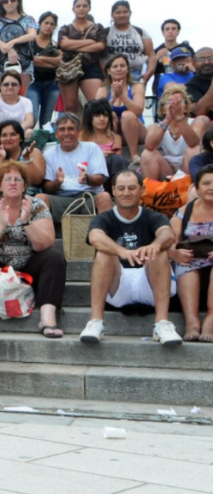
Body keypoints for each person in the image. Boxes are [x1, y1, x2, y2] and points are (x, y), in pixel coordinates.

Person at [0, 160, 66, 337]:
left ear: (24, 185)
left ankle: (47, 317)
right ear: (0, 185)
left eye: (18, 179)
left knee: (55, 258)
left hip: (29, 265)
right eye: (8, 179)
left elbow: (45, 243)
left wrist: (26, 222)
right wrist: (1, 225)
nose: (12, 183)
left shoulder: (37, 206)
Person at [81, 170, 182, 346]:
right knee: (104, 251)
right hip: (118, 283)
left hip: (149, 279)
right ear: (113, 190)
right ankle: (95, 322)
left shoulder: (153, 216)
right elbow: (95, 237)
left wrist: (154, 245)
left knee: (159, 251)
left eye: (131, 188)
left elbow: (168, 234)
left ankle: (162, 323)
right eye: (121, 188)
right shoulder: (104, 218)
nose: (126, 193)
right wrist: (121, 251)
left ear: (142, 190)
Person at [39, 114, 113, 218]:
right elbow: (47, 188)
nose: (66, 133)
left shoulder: (92, 148)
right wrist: (57, 182)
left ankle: (104, 233)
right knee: (40, 198)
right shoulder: (49, 155)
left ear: (79, 131)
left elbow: (100, 179)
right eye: (61, 129)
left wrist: (87, 178)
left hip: (89, 197)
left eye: (71, 129)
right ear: (56, 133)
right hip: (62, 199)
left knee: (105, 197)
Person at [170, 164, 213, 342]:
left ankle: (210, 321)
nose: (211, 188)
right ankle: (192, 323)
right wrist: (174, 253)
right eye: (206, 183)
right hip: (191, 261)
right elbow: (170, 241)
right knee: (184, 266)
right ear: (196, 187)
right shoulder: (184, 211)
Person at [57, 0, 106, 116]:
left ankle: (93, 133)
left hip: (90, 66)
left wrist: (73, 45)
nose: (81, 8)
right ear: (73, 9)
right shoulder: (65, 28)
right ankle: (73, 133)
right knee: (70, 105)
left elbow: (100, 46)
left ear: (89, 8)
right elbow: (63, 45)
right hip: (69, 66)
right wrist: (89, 42)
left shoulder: (97, 27)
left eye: (84, 6)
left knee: (97, 103)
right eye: (78, 6)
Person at [141, 85, 200, 182]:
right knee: (147, 154)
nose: (174, 105)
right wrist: (168, 120)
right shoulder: (155, 126)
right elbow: (149, 146)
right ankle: (151, 193)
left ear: (186, 108)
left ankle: (193, 189)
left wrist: (179, 117)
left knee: (194, 150)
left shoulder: (196, 122)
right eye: (169, 102)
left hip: (187, 166)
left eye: (179, 102)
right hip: (165, 169)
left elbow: (193, 143)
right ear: (163, 109)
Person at [95, 54, 147, 163]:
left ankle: (134, 155)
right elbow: (97, 116)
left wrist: (122, 96)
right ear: (108, 71)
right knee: (111, 115)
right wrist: (112, 100)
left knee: (127, 115)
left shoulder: (137, 87)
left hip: (136, 130)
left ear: (127, 69)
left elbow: (138, 111)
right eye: (115, 66)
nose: (119, 69)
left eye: (122, 66)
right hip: (115, 131)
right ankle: (109, 152)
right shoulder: (103, 90)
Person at [0, 0, 37, 91]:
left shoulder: (27, 20)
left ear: (18, 1)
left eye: (12, 0)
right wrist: (9, 49)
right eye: (5, 1)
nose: (9, 3)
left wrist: (12, 42)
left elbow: (32, 35)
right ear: (2, 4)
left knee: (21, 99)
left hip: (24, 64)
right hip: (1, 63)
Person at [0, 120, 45, 198]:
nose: (8, 138)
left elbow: (37, 180)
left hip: (28, 199)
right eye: (4, 135)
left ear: (21, 138)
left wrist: (26, 158)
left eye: (13, 134)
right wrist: (1, 159)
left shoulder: (32, 152)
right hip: (2, 202)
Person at [100, 0, 156, 85]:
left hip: (136, 74)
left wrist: (149, 72)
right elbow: (99, 56)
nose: (122, 15)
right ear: (112, 15)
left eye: (125, 12)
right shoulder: (105, 33)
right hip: (112, 75)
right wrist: (106, 72)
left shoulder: (140, 32)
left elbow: (151, 55)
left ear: (130, 13)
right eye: (118, 12)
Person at [0, 70, 34, 151]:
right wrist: (9, 136)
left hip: (16, 137)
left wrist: (14, 135)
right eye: (6, 84)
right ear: (0, 87)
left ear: (19, 87)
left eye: (14, 84)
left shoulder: (26, 102)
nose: (10, 87)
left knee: (29, 132)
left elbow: (29, 121)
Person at [81, 99, 129, 186]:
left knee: (117, 160)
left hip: (110, 171)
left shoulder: (116, 137)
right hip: (89, 173)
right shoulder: (81, 136)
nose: (102, 119)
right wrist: (98, 155)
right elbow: (77, 158)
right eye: (97, 115)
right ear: (89, 117)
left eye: (105, 115)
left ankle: (117, 188)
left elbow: (118, 160)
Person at [27, 12, 61, 129]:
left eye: (52, 24)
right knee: (33, 116)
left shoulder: (55, 45)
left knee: (46, 121)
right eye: (46, 23)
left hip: (52, 84)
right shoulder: (30, 42)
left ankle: (43, 143)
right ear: (40, 24)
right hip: (33, 83)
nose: (48, 26)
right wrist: (51, 62)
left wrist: (40, 58)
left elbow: (60, 62)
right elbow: (30, 61)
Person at [153, 19, 191, 104]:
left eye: (173, 29)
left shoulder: (186, 49)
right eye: (167, 29)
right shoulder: (156, 51)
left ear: (178, 31)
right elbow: (149, 71)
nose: (170, 31)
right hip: (162, 89)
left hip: (187, 88)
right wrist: (155, 59)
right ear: (163, 32)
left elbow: (195, 66)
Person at [187, 47, 213, 126]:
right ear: (193, 63)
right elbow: (199, 111)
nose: (207, 62)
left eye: (211, 58)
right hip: (206, 129)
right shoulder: (190, 86)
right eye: (202, 59)